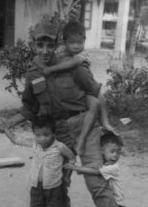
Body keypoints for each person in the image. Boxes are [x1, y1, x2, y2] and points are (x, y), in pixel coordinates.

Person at [0, 19, 125, 207]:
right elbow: (29, 109)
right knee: (58, 184)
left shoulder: (72, 66)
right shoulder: (33, 74)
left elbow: (96, 93)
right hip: (59, 133)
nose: (44, 51)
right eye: (39, 45)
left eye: (49, 45)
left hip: (83, 126)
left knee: (97, 182)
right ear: (33, 44)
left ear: (56, 45)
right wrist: (8, 123)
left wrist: (104, 122)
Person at [0, 115, 76, 207]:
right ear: (34, 134)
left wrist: (67, 175)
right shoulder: (34, 143)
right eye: (38, 135)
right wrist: (5, 129)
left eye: (46, 135)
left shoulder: (60, 147)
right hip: (36, 188)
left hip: (55, 189)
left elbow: (72, 158)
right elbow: (16, 140)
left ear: (53, 133)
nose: (42, 138)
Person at [36, 20, 116, 155]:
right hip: (74, 95)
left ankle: (105, 123)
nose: (76, 47)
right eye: (72, 43)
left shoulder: (82, 55)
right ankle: (82, 141)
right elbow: (41, 59)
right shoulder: (60, 51)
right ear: (64, 42)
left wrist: (51, 69)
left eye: (79, 43)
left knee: (98, 100)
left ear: (84, 41)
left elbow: (76, 62)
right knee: (95, 102)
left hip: (88, 85)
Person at [64, 131, 136, 207]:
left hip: (119, 201)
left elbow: (96, 172)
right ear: (102, 151)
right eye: (112, 151)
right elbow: (92, 168)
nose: (116, 155)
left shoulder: (114, 167)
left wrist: (76, 168)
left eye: (118, 152)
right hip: (109, 200)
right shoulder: (102, 163)